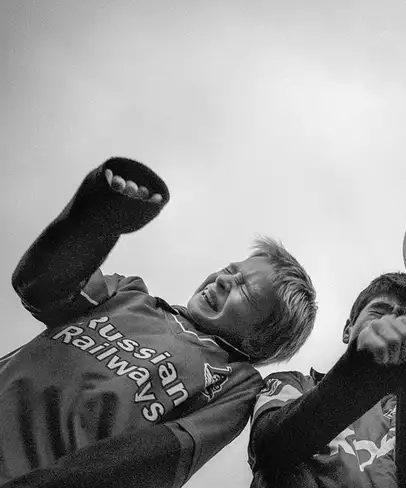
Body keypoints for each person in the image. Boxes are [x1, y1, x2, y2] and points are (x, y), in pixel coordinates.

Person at [0, 157, 317, 487]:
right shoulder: (127, 294)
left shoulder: (235, 383)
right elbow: (40, 286)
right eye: (229, 270)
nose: (224, 280)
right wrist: (98, 218)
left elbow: (153, 460)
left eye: (246, 291)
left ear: (257, 340)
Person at [248, 270, 406, 488]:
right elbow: (269, 448)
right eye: (380, 312)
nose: (392, 324)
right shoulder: (294, 383)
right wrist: (360, 375)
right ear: (347, 329)